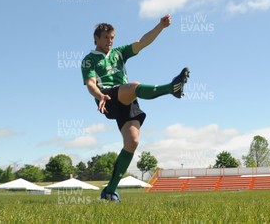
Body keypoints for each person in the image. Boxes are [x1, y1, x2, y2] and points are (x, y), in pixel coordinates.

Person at [81, 14, 189, 202]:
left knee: (132, 142)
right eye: (106, 37)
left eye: (112, 37)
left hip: (126, 99)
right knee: (134, 85)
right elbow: (91, 83)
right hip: (108, 97)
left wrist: (160, 26)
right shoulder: (89, 59)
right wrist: (99, 96)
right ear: (96, 38)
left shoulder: (119, 53)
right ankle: (171, 88)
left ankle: (110, 191)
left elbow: (142, 42)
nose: (110, 41)